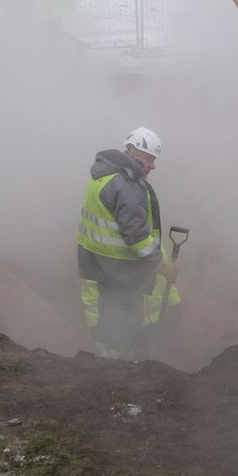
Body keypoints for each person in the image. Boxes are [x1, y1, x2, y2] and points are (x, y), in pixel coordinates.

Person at [76, 127, 180, 360]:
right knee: (126, 323)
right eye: (149, 159)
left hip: (101, 266)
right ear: (133, 153)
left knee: (109, 319)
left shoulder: (102, 176)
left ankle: (106, 362)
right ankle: (123, 371)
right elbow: (136, 234)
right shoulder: (127, 186)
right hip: (121, 270)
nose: (153, 166)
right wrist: (160, 262)